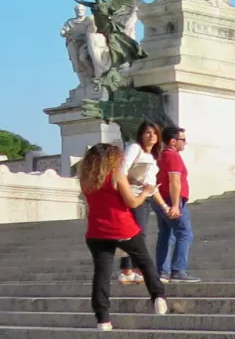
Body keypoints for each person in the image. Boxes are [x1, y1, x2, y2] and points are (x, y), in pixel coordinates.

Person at [79, 142, 168, 329]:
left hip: (96, 231)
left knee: (101, 275)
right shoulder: (117, 176)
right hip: (123, 228)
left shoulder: (85, 179)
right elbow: (133, 202)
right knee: (145, 262)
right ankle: (158, 297)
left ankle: (103, 319)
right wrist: (146, 191)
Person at [117, 121, 166, 286]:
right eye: (147, 132)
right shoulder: (134, 148)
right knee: (136, 234)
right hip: (132, 195)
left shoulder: (152, 156)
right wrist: (128, 186)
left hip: (145, 197)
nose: (151, 136)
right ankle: (133, 271)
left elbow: (151, 187)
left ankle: (130, 271)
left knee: (135, 234)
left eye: (154, 133)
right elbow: (122, 170)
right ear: (141, 135)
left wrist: (164, 206)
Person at [154, 126, 195, 281]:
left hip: (160, 199)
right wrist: (176, 205)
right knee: (184, 233)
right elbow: (174, 181)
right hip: (171, 200)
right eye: (182, 140)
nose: (185, 143)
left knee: (166, 235)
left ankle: (163, 271)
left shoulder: (160, 156)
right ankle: (178, 270)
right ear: (173, 141)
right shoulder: (173, 156)